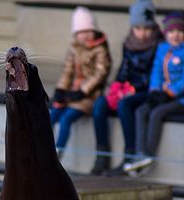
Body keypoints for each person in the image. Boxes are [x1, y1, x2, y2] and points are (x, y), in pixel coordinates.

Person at [124, 12, 184, 174]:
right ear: (166, 33)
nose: (176, 35)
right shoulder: (163, 48)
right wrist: (154, 92)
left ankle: (149, 154)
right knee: (141, 111)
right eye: (172, 31)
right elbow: (156, 73)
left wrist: (170, 93)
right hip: (164, 95)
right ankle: (139, 153)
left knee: (156, 113)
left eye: (179, 31)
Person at [91, 0, 163, 176]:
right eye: (138, 28)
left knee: (125, 105)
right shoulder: (129, 43)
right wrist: (116, 86)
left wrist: (131, 88)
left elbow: (155, 74)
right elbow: (124, 69)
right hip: (128, 89)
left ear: (153, 27)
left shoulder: (159, 44)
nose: (143, 33)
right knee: (100, 104)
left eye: (147, 28)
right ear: (133, 28)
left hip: (146, 91)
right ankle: (102, 155)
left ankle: (129, 155)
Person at [50, 6, 111, 159]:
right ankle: (39, 145)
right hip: (71, 94)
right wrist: (60, 89)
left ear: (93, 31)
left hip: (89, 96)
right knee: (52, 115)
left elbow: (100, 73)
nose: (83, 36)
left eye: (86, 31)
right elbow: (67, 71)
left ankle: (57, 152)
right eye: (79, 32)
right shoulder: (74, 48)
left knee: (66, 119)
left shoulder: (100, 49)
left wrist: (83, 91)